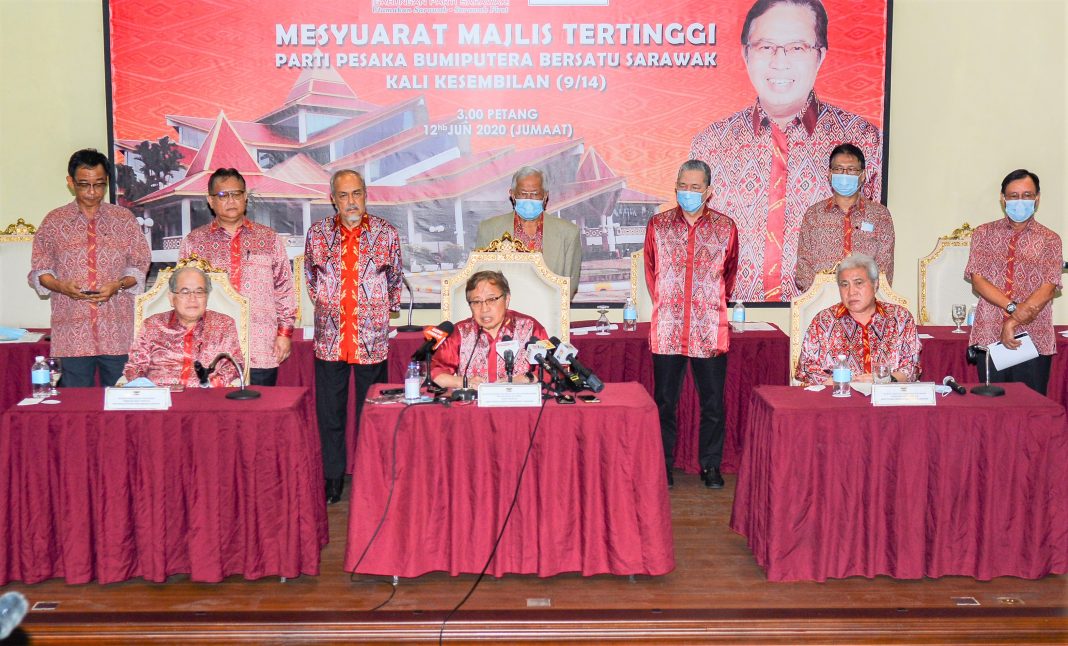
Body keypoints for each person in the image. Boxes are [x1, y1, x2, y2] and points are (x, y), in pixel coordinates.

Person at [690, 0, 883, 302]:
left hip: (825, 317)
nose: (779, 62)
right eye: (766, 47)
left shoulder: (864, 140)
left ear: (820, 55)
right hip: (735, 317)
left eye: (796, 48)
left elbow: (875, 245)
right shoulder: (710, 145)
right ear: (746, 54)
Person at [305, 169, 402, 504]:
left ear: (365, 195)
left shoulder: (386, 233)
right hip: (330, 338)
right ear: (333, 198)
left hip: (371, 338)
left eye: (356, 193)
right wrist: (330, 306)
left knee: (371, 412)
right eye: (344, 195)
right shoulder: (317, 234)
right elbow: (311, 279)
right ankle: (333, 478)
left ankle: (370, 476)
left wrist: (378, 310)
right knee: (330, 412)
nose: (351, 201)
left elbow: (394, 279)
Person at [644, 160, 738, 490]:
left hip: (709, 329)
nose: (688, 192)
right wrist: (669, 304)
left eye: (695, 187)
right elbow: (652, 273)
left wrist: (708, 305)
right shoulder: (658, 225)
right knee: (664, 403)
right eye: (683, 186)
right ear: (675, 187)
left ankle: (710, 465)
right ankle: (663, 465)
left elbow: (729, 275)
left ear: (708, 191)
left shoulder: (726, 227)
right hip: (668, 328)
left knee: (712, 404)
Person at [28, 148, 151, 387]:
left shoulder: (124, 219)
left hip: (117, 331)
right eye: (84, 185)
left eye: (99, 184)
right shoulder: (54, 222)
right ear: (70, 182)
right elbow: (40, 271)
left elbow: (139, 265)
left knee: (120, 398)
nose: (92, 192)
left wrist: (118, 285)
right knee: (74, 401)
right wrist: (61, 286)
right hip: (71, 332)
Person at [179, 168, 296, 386]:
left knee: (262, 406)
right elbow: (182, 296)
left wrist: (284, 333)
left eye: (237, 194)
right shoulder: (194, 242)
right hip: (211, 350)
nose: (231, 200)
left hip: (261, 346)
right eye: (223, 195)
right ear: (210, 201)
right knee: (213, 407)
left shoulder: (269, 239)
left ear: (245, 197)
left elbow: (284, 290)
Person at [966, 169, 1062, 394]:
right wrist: (1012, 308)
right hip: (989, 335)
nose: (1021, 201)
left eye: (1027, 195)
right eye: (1014, 196)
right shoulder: (983, 233)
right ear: (1003, 198)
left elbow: (1049, 287)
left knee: (1030, 405)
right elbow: (978, 280)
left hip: (1034, 338)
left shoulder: (1050, 239)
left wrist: (1010, 323)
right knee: (992, 407)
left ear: (1037, 198)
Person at [795, 253, 919, 385]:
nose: (851, 292)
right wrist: (840, 383)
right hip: (839, 393)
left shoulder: (900, 318)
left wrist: (884, 379)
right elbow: (805, 369)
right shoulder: (824, 321)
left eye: (858, 283)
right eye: (844, 285)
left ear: (875, 284)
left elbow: (912, 368)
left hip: (887, 395)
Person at [794, 143, 895, 292]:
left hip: (865, 301)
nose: (845, 174)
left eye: (851, 170)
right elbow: (803, 267)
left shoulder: (880, 215)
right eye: (839, 169)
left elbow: (884, 269)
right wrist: (824, 295)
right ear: (830, 174)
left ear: (862, 175)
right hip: (822, 301)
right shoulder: (814, 215)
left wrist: (859, 295)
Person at [123, 266, 243, 387]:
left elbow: (234, 365)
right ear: (171, 298)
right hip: (160, 394)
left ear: (206, 297)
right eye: (185, 292)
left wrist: (210, 385)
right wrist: (147, 391)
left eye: (199, 292)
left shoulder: (224, 324)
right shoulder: (152, 324)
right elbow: (135, 367)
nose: (192, 298)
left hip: (205, 395)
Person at [475, 167, 582, 299]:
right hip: (504, 309)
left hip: (549, 308)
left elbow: (570, 284)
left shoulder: (568, 233)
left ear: (545, 196)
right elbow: (481, 281)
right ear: (512, 194)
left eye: (535, 194)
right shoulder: (488, 229)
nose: (529, 199)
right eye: (523, 194)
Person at [430, 271, 548, 388]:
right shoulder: (460, 332)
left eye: (491, 299)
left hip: (520, 399)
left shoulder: (530, 327)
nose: (484, 309)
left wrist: (525, 379)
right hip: (474, 399)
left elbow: (550, 370)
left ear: (506, 300)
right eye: (476, 302)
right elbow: (435, 373)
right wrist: (465, 382)